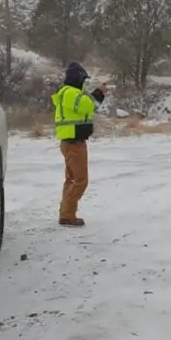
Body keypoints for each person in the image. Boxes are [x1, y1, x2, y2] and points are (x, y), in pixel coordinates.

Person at [52, 62, 106, 227]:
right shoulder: (71, 93)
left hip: (71, 141)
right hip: (74, 142)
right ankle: (67, 215)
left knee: (72, 179)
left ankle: (65, 213)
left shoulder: (68, 93)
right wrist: (98, 93)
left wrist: (98, 95)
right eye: (84, 79)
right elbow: (88, 106)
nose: (85, 83)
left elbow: (90, 107)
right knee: (81, 180)